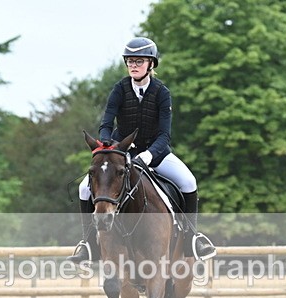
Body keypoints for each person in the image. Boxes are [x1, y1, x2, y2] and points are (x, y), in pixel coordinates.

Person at [68, 37, 217, 263]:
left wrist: (149, 155)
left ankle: (191, 237)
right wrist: (108, 146)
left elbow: (165, 134)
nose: (133, 65)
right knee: (83, 189)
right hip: (122, 151)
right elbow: (106, 123)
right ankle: (88, 244)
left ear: (151, 64)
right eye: (130, 61)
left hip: (156, 153)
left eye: (139, 61)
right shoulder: (119, 89)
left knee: (189, 182)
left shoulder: (161, 92)